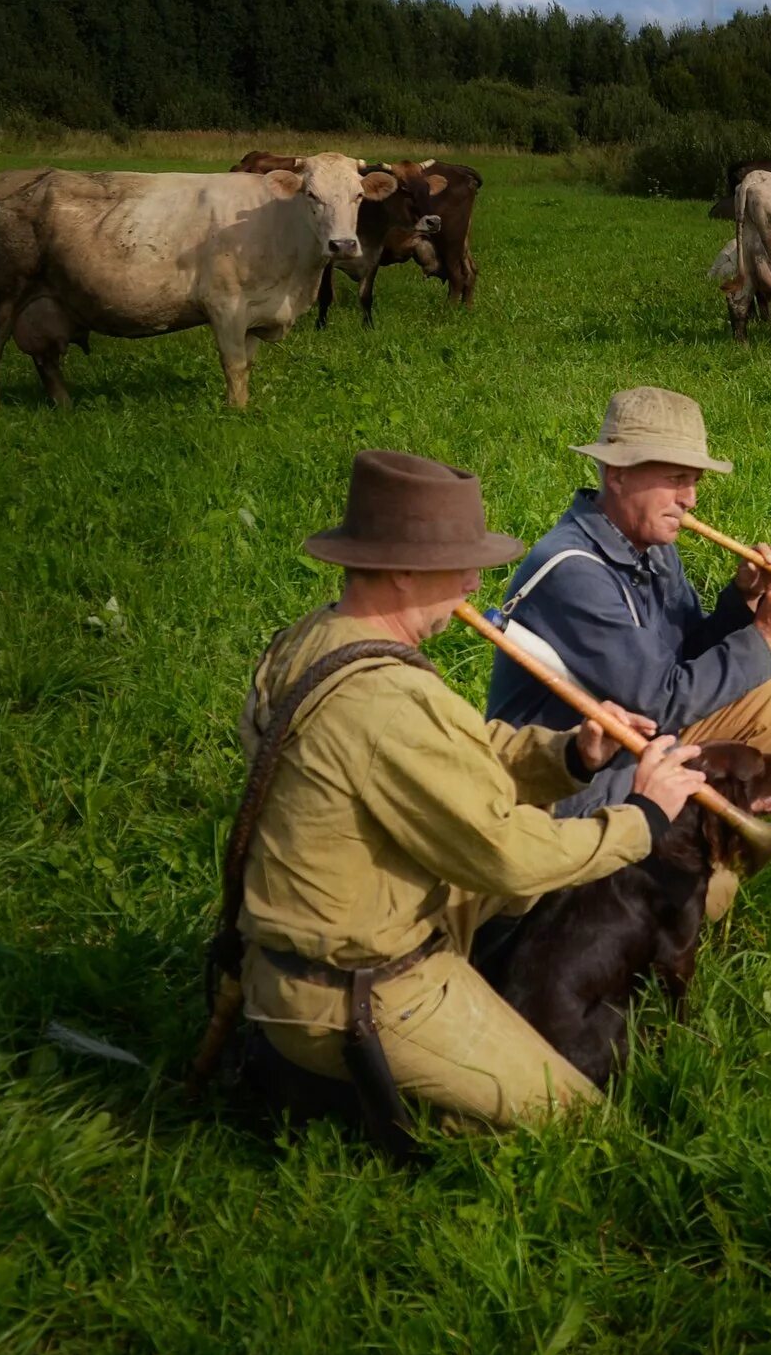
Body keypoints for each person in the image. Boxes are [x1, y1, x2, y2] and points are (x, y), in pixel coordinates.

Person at [236, 450, 711, 1128]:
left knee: (527, 893)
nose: (473, 580)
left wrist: (573, 750)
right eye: (461, 564)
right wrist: (643, 816)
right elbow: (507, 852)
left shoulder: (320, 636)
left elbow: (459, 749)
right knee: (576, 1118)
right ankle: (347, 1091)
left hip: (322, 934)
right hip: (357, 986)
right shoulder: (386, 703)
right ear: (402, 568)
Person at [486, 386, 771, 914]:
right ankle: (660, 844)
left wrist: (742, 604)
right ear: (617, 474)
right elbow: (661, 701)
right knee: (714, 897)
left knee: (770, 694)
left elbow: (687, 651)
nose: (689, 500)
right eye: (674, 479)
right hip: (567, 781)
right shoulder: (575, 572)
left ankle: (699, 820)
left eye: (693, 482)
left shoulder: (648, 546)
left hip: (638, 743)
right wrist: (766, 633)